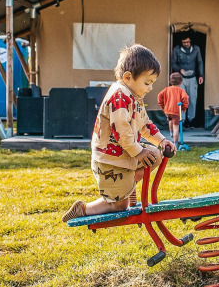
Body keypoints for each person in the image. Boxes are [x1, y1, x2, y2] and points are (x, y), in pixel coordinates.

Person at [62, 43, 175, 222]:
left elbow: (145, 124)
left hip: (125, 154)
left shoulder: (135, 98)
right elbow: (121, 132)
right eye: (147, 83)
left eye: (152, 83)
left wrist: (161, 141)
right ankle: (83, 209)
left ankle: (128, 190)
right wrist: (139, 152)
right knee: (117, 205)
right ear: (128, 77)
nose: (150, 88)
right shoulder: (119, 96)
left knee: (155, 155)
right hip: (109, 160)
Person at [171, 33, 204, 127]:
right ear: (181, 42)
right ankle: (182, 120)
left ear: (190, 41)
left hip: (193, 77)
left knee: (193, 100)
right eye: (184, 42)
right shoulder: (177, 49)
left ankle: (191, 120)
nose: (186, 44)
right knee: (182, 99)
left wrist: (201, 75)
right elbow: (173, 62)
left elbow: (200, 62)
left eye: (188, 42)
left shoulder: (196, 49)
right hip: (181, 78)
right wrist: (178, 69)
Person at [157, 72, 189, 147]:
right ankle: (175, 143)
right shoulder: (181, 90)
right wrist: (184, 107)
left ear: (170, 81)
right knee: (176, 127)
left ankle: (171, 132)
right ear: (181, 82)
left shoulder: (167, 89)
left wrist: (163, 106)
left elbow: (159, 96)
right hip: (176, 111)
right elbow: (185, 98)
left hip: (167, 110)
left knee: (170, 120)